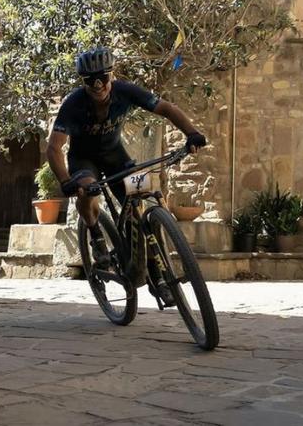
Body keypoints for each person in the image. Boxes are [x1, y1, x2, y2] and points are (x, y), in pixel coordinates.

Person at [47, 47, 207, 304]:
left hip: (115, 157)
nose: (98, 85)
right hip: (83, 159)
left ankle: (158, 276)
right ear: (83, 82)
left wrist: (192, 133)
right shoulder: (74, 104)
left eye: (103, 78)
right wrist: (66, 181)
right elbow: (54, 148)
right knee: (88, 189)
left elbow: (166, 108)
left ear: (112, 76)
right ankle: (96, 236)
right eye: (90, 81)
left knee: (142, 198)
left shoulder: (125, 91)